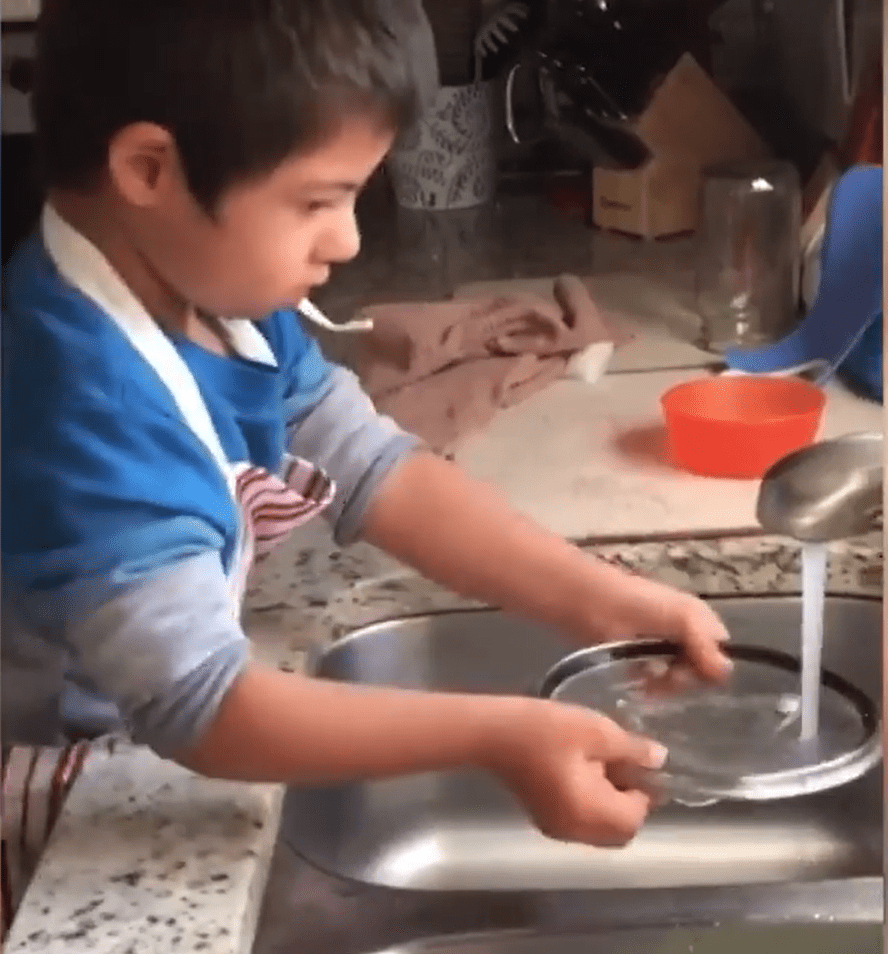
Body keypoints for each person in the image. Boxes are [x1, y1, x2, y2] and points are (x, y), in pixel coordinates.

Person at [1, 0, 732, 929]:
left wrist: (604, 601)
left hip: (136, 747)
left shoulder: (207, 284)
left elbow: (372, 464)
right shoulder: (85, 404)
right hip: (64, 810)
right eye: (318, 200)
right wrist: (500, 735)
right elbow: (203, 705)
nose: (348, 242)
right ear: (150, 169)